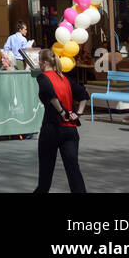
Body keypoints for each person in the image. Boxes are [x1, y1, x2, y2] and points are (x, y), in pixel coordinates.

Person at [32, 47, 86, 194]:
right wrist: (78, 113)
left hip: (52, 128)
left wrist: (61, 111)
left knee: (45, 176)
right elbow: (83, 94)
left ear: (44, 63)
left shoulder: (43, 77)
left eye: (39, 62)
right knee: (73, 171)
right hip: (70, 129)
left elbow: (50, 94)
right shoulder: (65, 78)